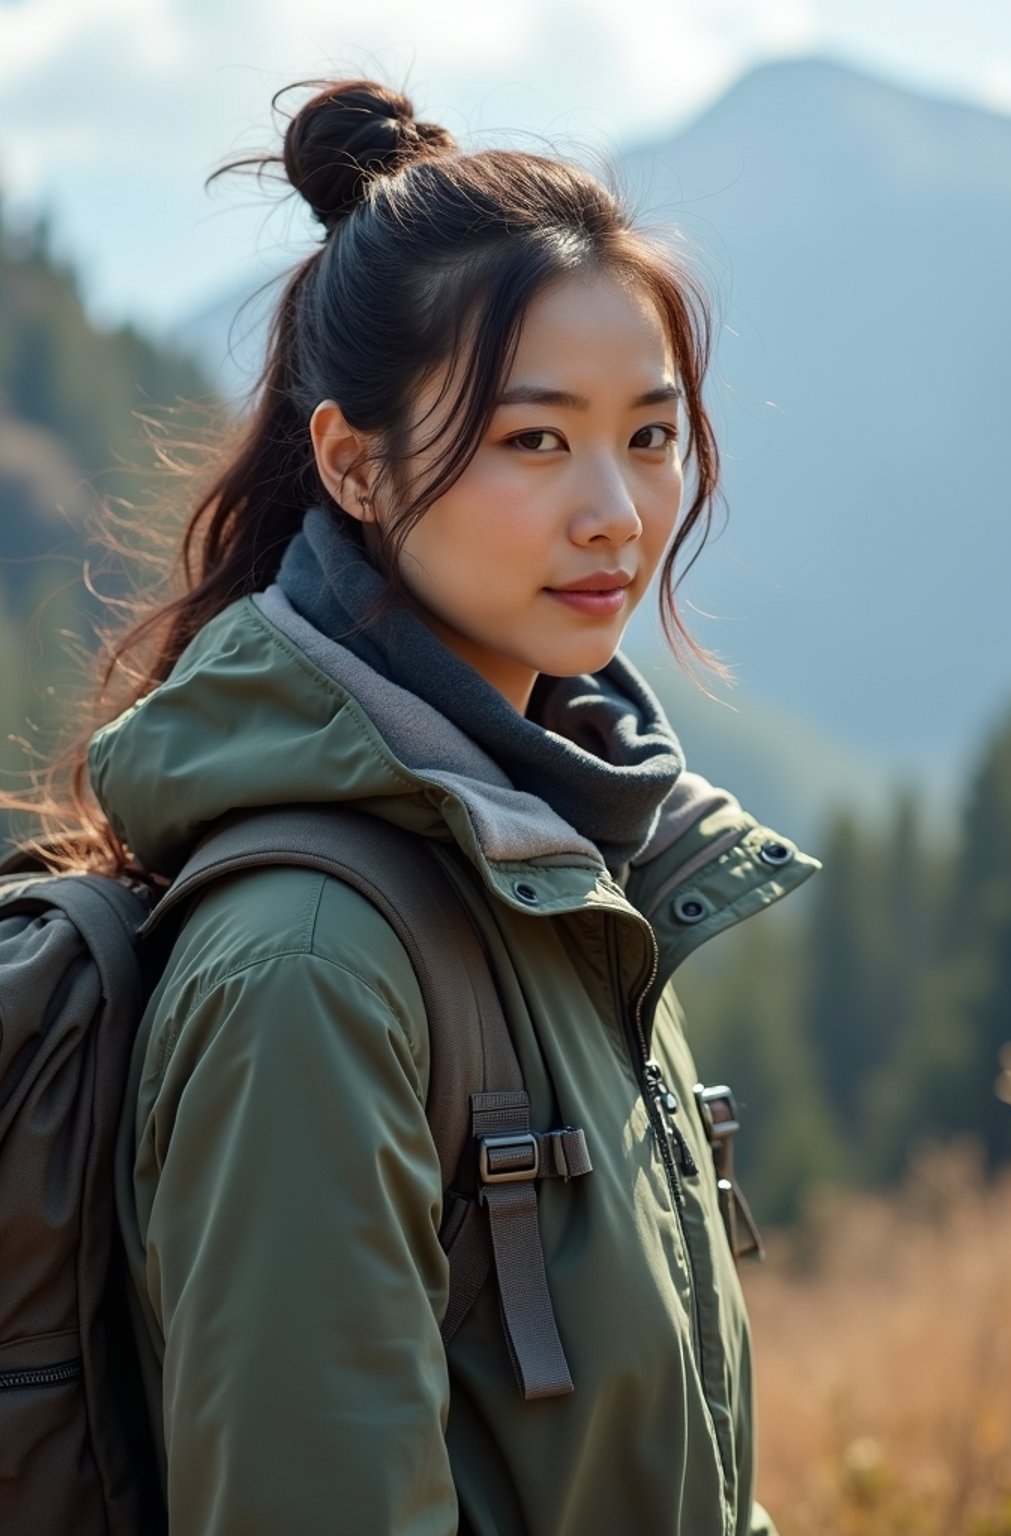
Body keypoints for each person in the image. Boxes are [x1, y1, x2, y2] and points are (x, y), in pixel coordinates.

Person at [28, 79, 819, 1535]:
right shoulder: (312, 964)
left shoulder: (566, 865)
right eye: (535, 441)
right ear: (351, 462)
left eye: (649, 436)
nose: (618, 513)